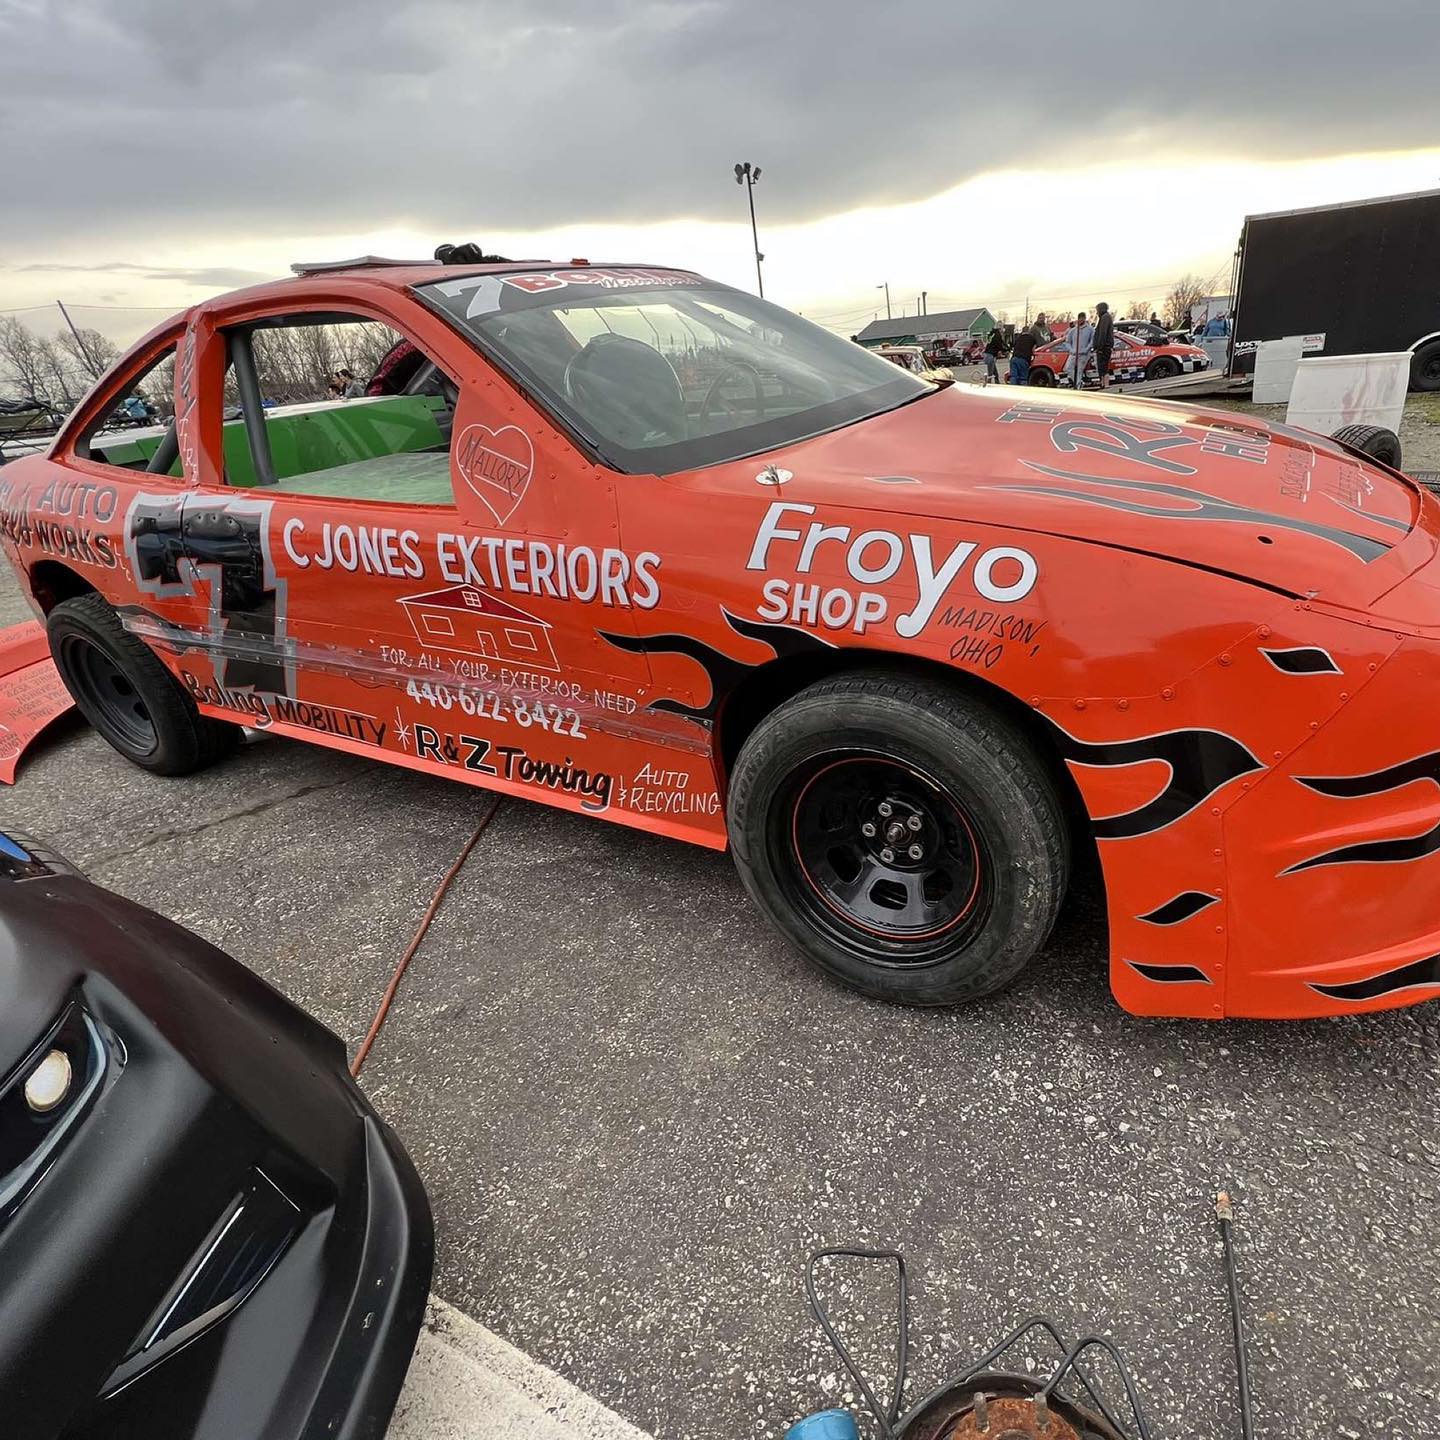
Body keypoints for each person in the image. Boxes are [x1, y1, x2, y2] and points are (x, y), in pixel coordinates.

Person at [1061, 311, 1094, 389]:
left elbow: (1092, 341)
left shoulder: (1090, 329)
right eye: (1080, 318)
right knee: (1068, 368)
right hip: (1073, 354)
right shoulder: (1073, 330)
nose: (1081, 320)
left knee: (1079, 370)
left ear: (1085, 319)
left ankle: (1078, 386)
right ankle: (1078, 382)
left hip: (1084, 354)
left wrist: (1087, 349)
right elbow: (1067, 342)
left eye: (1082, 318)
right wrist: (1071, 350)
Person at [1092, 301, 1114, 389]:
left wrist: (1100, 347)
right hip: (1105, 346)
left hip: (1104, 347)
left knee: (1103, 366)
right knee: (1103, 366)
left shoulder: (1105, 318)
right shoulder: (1106, 317)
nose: (1097, 312)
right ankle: (1103, 383)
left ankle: (1105, 384)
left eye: (1097, 310)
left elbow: (1102, 333)